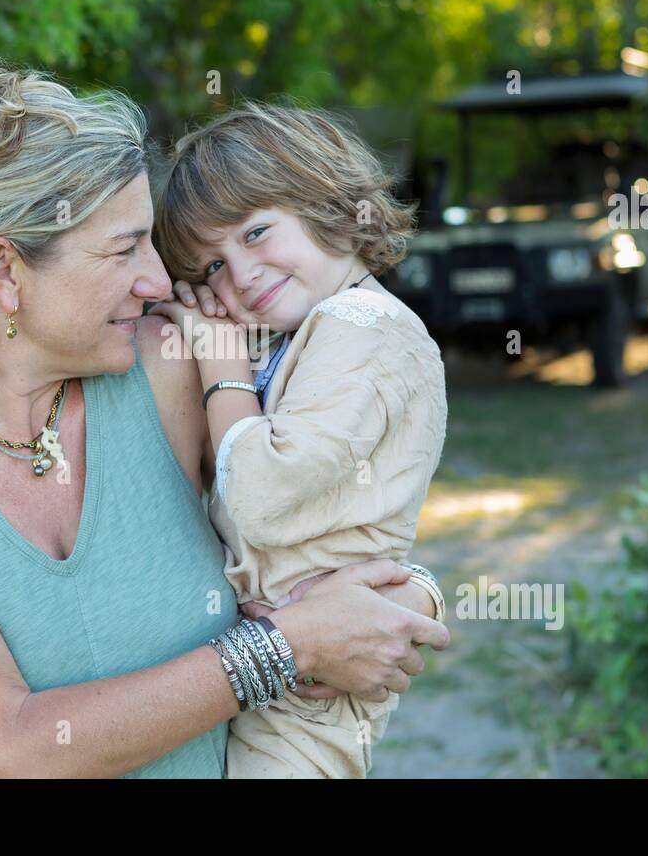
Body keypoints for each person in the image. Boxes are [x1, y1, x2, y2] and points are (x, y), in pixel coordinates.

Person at [0, 54, 449, 778]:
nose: (159, 280)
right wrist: (285, 648)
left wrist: (406, 597)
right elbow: (8, 749)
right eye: (125, 247)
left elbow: (319, 512)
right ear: (5, 271)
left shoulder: (168, 363)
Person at [149, 101, 449, 777]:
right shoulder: (302, 335)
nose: (240, 274)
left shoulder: (367, 327)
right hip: (278, 657)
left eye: (255, 233)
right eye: (212, 267)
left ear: (327, 202)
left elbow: (260, 494)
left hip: (313, 694)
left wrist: (220, 360)